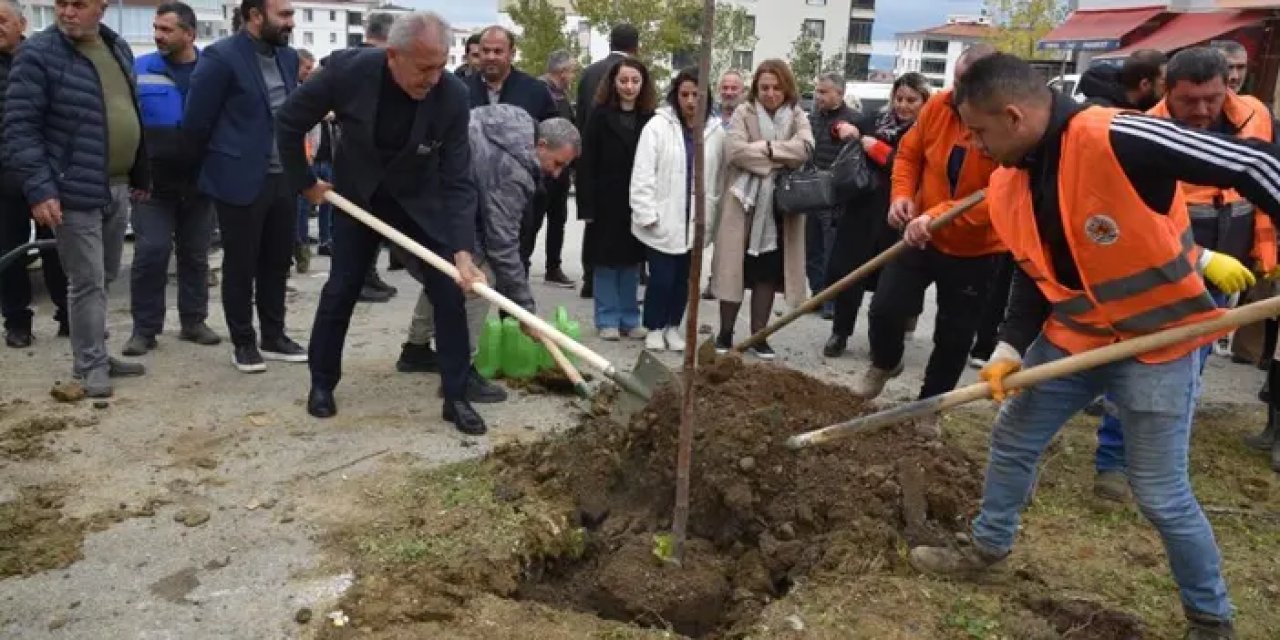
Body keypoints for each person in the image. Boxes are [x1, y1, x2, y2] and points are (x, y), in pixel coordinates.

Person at [907, 52, 1280, 640]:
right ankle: (988, 552)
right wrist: (1009, 347)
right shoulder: (1009, 181)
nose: (976, 146)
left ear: (1011, 115)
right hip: (1074, 341)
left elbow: (1251, 162)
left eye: (979, 132)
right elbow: (1034, 271)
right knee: (1013, 438)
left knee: (1160, 493)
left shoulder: (1114, 133)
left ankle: (1210, 619)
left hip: (1160, 342)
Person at [277, 11, 489, 434]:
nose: (433, 77)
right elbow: (288, 121)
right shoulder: (347, 72)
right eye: (424, 67)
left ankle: (456, 394)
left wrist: (463, 251)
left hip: (419, 202)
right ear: (394, 55)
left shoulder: (451, 95)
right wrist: (305, 183)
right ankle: (322, 383)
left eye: (440, 65)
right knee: (342, 289)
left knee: (449, 291)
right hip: (359, 198)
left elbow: (458, 178)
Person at [851, 44, 1002, 434]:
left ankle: (930, 405)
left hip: (976, 249)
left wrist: (934, 215)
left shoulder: (1005, 123)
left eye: (967, 86)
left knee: (954, 334)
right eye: (956, 83)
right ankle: (886, 361)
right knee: (885, 309)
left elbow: (1003, 198)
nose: (958, 95)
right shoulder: (939, 108)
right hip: (920, 237)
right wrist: (902, 196)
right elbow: (908, 155)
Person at [1144, 48, 1280, 478]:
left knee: (1193, 367)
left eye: (1213, 98)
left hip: (1228, 266)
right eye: (1190, 101)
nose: (1203, 111)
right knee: (1144, 362)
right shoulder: (1146, 131)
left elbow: (1266, 181)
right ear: (1168, 92)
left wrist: (1268, 254)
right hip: (1166, 269)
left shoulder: (1255, 114)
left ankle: (1167, 454)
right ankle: (1115, 457)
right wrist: (1199, 259)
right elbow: (1142, 221)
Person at [5, 0, 150, 397]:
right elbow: (20, 128)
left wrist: (140, 172)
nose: (67, 12)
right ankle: (89, 365)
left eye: (78, 4)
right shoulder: (38, 54)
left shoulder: (116, 46)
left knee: (104, 277)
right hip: (72, 189)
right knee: (86, 282)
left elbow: (127, 109)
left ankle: (97, 352)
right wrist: (40, 188)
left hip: (116, 184)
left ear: (100, 7)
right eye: (61, 4)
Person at [395, 108, 581, 399]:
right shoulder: (513, 173)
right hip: (431, 208)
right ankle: (460, 373)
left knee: (445, 270)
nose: (556, 174)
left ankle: (416, 348)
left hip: (420, 199)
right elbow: (503, 244)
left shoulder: (511, 118)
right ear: (541, 145)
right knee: (480, 277)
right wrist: (525, 311)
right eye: (557, 163)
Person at [185, 0, 306, 373]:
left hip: (282, 178)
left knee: (276, 261)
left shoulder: (287, 58)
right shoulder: (220, 58)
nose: (291, 22)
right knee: (240, 265)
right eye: (283, 15)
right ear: (255, 16)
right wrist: (208, 174)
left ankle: (274, 335)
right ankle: (243, 341)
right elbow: (196, 122)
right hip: (238, 179)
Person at [123, 1, 221, 357]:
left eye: (167, 29)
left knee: (195, 254)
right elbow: (127, 122)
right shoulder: (139, 69)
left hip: (200, 182)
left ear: (190, 34)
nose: (157, 35)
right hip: (152, 183)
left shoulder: (213, 70)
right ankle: (144, 329)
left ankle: (194, 321)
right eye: (156, 28)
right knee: (151, 251)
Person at [711, 59, 815, 359]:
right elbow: (735, 152)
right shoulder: (744, 112)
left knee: (767, 273)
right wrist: (782, 157)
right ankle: (725, 333)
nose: (770, 94)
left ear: (786, 88)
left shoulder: (797, 115)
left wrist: (766, 149)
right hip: (742, 203)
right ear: (756, 88)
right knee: (734, 269)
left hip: (779, 210)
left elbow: (805, 150)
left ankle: (759, 336)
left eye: (776, 87)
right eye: (764, 87)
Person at [823, 72, 931, 358]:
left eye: (911, 100)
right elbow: (839, 126)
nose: (903, 106)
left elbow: (910, 167)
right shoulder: (875, 121)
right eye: (899, 98)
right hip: (861, 211)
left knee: (889, 286)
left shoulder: (927, 133)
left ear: (924, 102)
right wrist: (843, 129)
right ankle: (840, 333)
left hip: (897, 215)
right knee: (849, 276)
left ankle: (879, 342)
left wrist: (878, 150)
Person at [630, 67, 724, 352]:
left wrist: (712, 217)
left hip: (694, 219)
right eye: (685, 94)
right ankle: (654, 326)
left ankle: (673, 326)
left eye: (697, 94)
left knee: (686, 280)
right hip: (665, 216)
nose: (691, 101)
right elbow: (643, 172)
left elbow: (717, 178)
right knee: (662, 278)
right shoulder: (658, 126)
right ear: (676, 96)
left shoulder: (715, 132)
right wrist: (646, 212)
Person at [0, 0, 66, 348]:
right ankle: (17, 323)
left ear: (21, 22)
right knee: (9, 252)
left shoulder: (42, 58)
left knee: (59, 249)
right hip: (4, 179)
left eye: (2, 20)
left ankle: (69, 315)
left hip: (45, 174)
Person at [579, 57, 656, 340]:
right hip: (605, 200)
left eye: (635, 81)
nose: (629, 86)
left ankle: (629, 317)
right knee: (605, 262)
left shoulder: (650, 119)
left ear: (643, 84)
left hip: (638, 200)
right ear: (613, 82)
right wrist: (587, 205)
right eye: (623, 80)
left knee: (632, 262)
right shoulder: (599, 115)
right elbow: (586, 162)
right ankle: (607, 318)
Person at [576, 23, 639, 299]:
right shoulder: (637, 74)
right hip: (625, 166)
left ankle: (590, 276)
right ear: (635, 46)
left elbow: (579, 119)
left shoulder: (589, 73)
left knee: (594, 225)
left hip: (592, 160)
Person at [807, 72, 857, 319]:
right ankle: (817, 293)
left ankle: (830, 298)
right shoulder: (813, 118)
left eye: (824, 92)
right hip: (810, 191)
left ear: (839, 93)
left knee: (831, 248)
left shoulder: (853, 121)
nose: (818, 97)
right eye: (817, 91)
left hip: (835, 195)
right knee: (811, 247)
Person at [526, 49, 577, 287]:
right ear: (562, 71)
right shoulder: (538, 91)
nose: (573, 76)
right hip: (541, 171)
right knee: (532, 221)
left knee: (559, 219)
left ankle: (553, 267)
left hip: (561, 172)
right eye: (571, 71)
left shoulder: (563, 95)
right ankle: (521, 263)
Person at [291, 47, 316, 274]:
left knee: (302, 214)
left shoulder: (305, 93)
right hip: (293, 166)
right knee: (296, 215)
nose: (309, 72)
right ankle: (298, 253)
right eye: (307, 68)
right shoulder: (294, 95)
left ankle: (301, 254)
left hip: (307, 161)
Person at [1079, 49, 1166, 110]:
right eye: (1164, 81)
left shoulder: (1147, 107)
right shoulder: (1100, 111)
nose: (1169, 86)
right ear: (1145, 84)